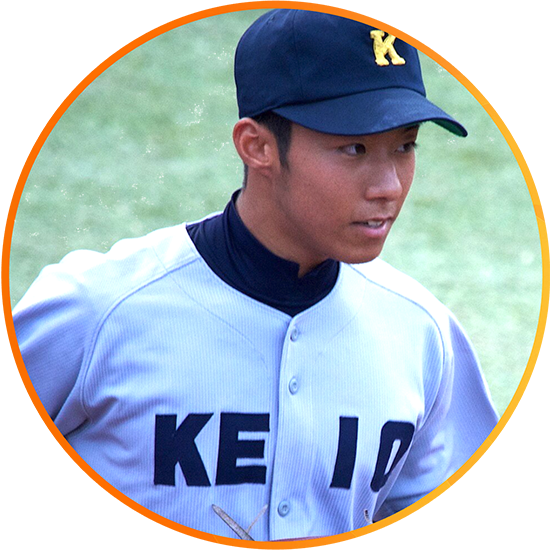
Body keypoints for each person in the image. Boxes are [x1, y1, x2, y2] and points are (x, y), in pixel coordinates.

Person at [12, 9, 498, 541]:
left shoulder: (422, 333)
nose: (388, 186)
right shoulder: (97, 309)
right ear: (257, 146)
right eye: (354, 148)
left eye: (404, 146)